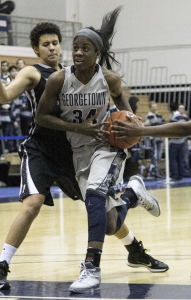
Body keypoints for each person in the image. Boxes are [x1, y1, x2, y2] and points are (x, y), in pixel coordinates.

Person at [0, 20, 168, 293]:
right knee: (33, 203)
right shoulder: (36, 73)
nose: (53, 48)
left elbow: (121, 102)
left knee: (103, 213)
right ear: (36, 49)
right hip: (43, 149)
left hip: (76, 150)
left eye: (56, 42)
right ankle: (2, 264)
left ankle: (133, 245)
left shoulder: (84, 73)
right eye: (46, 44)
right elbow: (7, 96)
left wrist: (133, 127)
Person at [144, 102, 165, 179]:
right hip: (152, 139)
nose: (155, 108)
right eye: (153, 106)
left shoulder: (160, 116)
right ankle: (155, 171)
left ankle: (156, 170)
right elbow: (147, 125)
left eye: (156, 106)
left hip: (159, 138)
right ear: (150, 107)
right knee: (154, 155)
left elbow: (163, 125)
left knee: (159, 155)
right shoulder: (147, 116)